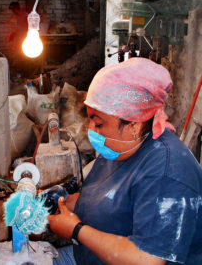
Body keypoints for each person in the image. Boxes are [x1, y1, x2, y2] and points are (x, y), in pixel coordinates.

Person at [48, 57, 202, 265]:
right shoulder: (120, 148)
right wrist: (75, 202)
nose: (91, 130)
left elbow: (146, 259)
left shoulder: (168, 173)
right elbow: (114, 194)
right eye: (90, 119)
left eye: (99, 123)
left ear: (134, 126)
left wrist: (76, 231)